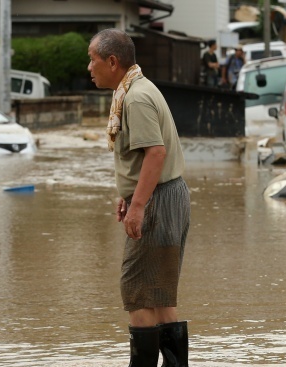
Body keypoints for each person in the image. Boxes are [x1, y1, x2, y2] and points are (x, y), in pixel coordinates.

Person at [87, 28, 191, 367]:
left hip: (159, 201)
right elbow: (142, 158)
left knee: (137, 293)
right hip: (166, 196)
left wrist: (138, 206)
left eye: (93, 60)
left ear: (112, 62)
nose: (90, 67)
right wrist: (128, 194)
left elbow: (156, 154)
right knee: (159, 295)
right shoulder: (135, 89)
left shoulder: (135, 98)